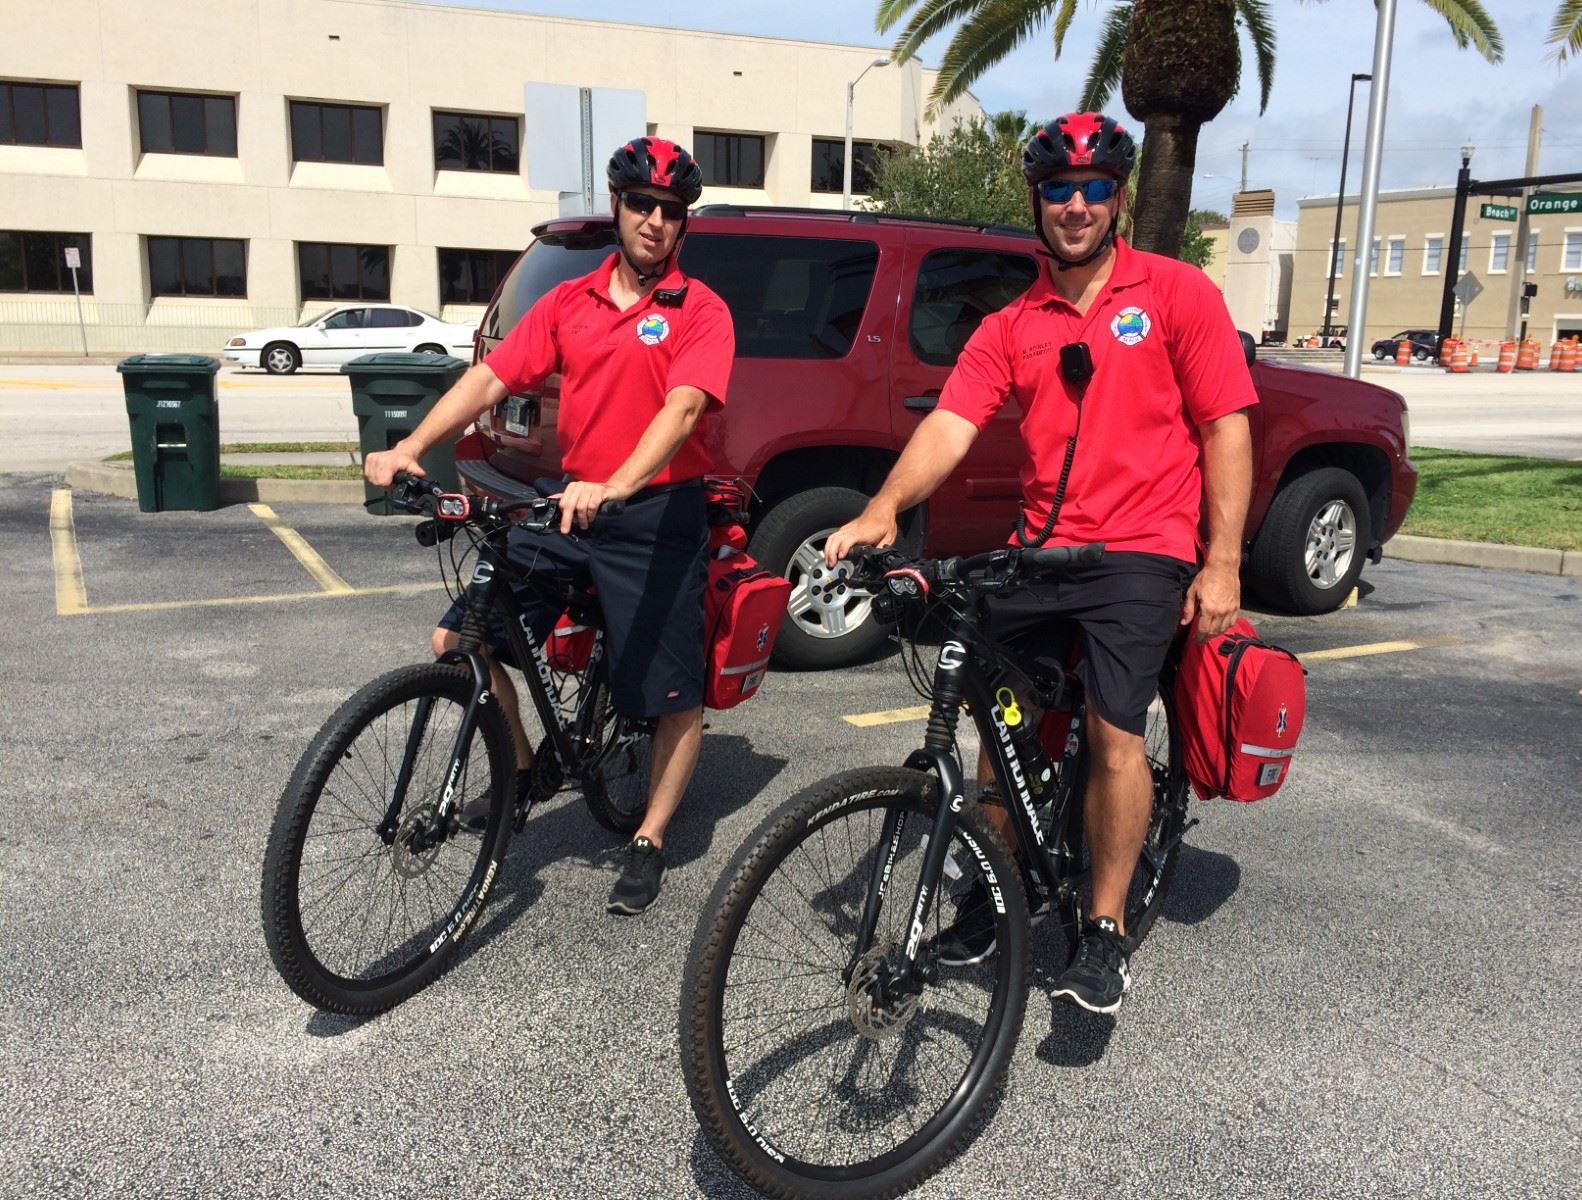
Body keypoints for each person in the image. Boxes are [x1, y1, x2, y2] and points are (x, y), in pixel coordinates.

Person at [824, 112, 1255, 1014]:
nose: (1077, 205)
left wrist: (1221, 561)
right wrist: (883, 507)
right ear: (1037, 200)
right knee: (1000, 724)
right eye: (1060, 189)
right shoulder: (1012, 324)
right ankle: (994, 889)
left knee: (1114, 731)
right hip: (1041, 549)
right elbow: (950, 425)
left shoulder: (1175, 293)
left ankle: (1103, 930)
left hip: (1142, 550)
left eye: (1095, 188)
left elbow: (1225, 426)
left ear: (1120, 198)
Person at [365, 136, 733, 916]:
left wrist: (621, 483)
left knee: (671, 693)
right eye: (643, 204)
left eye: (672, 210)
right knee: (459, 639)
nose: (656, 221)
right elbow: (490, 377)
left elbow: (684, 408)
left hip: (655, 514)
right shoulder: (571, 302)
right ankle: (526, 768)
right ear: (618, 207)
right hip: (572, 502)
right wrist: (410, 447)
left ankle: (649, 837)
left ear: (683, 223)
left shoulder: (701, 310)